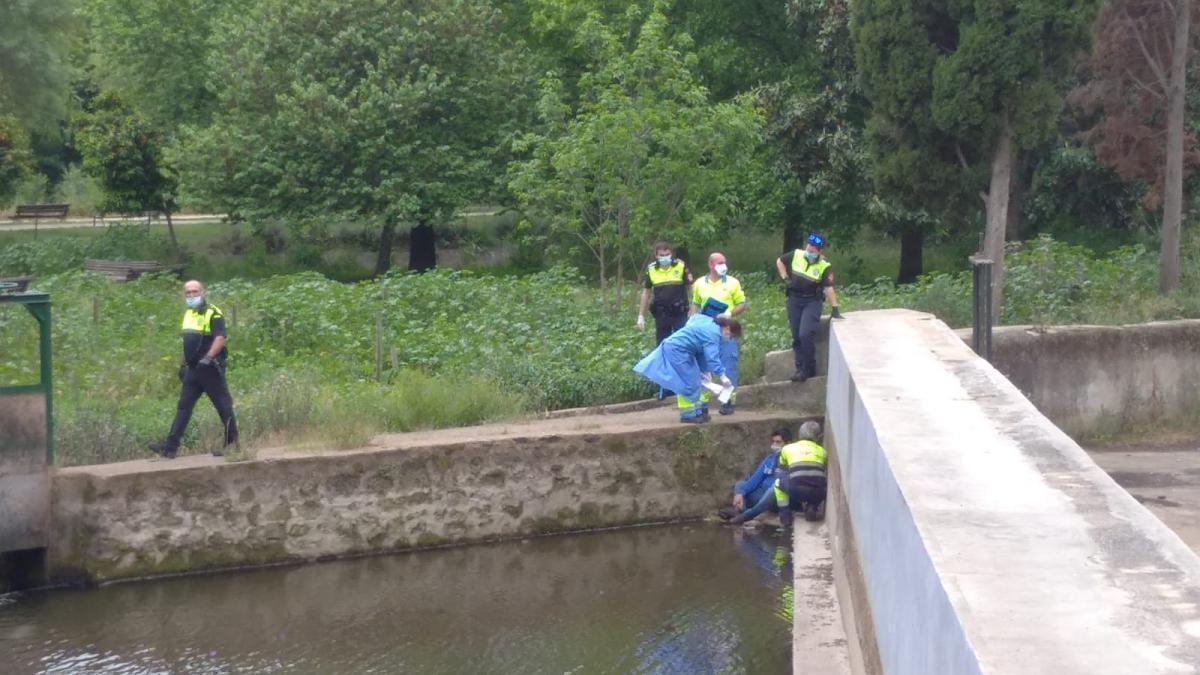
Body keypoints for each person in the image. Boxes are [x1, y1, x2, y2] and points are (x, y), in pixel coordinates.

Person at [149, 280, 238, 459]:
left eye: (195, 292)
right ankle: (169, 448)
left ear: (203, 292)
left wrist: (208, 358)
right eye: (188, 293)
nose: (191, 295)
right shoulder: (188, 314)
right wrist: (184, 364)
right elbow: (188, 342)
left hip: (210, 368)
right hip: (193, 370)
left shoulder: (213, 313)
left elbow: (220, 338)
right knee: (183, 407)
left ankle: (233, 445)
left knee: (223, 406)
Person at [633, 314, 742, 423]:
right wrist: (722, 376)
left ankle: (698, 411)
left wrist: (704, 371)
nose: (729, 339)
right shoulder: (713, 334)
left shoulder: (708, 322)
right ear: (727, 328)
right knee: (690, 382)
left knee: (698, 380)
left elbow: (701, 351)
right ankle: (688, 415)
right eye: (730, 336)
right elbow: (712, 358)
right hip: (678, 351)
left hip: (680, 349)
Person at [777, 233, 842, 382]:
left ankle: (809, 368)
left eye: (814, 250)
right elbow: (780, 261)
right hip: (794, 300)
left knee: (805, 334)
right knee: (796, 336)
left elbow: (829, 287)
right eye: (809, 247)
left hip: (812, 302)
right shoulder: (797, 254)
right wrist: (785, 278)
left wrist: (835, 308)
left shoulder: (824, 265)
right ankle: (799, 369)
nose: (810, 250)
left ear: (820, 251)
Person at [690, 252, 747, 415]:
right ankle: (703, 403)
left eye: (725, 262)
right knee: (703, 366)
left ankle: (728, 400)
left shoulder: (733, 283)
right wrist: (692, 321)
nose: (724, 265)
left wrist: (729, 314)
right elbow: (695, 304)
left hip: (726, 329)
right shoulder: (700, 283)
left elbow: (742, 304)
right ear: (710, 264)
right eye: (720, 262)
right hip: (705, 330)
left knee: (728, 363)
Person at [720, 428, 791, 524]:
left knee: (774, 490)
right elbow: (755, 479)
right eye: (773, 442)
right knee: (740, 485)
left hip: (777, 497)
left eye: (778, 442)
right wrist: (740, 493)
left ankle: (746, 515)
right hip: (761, 494)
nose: (774, 445)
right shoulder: (770, 458)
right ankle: (740, 511)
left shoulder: (791, 460)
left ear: (787, 444)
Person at [774, 421, 828, 530]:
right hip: (818, 493)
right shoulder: (823, 452)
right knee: (818, 481)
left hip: (796, 491)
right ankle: (813, 505)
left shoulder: (787, 449)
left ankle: (784, 517)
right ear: (818, 437)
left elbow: (782, 469)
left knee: (778, 481)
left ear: (800, 434)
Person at [637, 240, 693, 344]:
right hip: (661, 314)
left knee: (683, 343)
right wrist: (641, 315)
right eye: (661, 255)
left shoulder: (680, 266)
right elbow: (646, 293)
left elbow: (691, 288)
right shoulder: (651, 269)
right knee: (662, 345)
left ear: (671, 254)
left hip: (679, 313)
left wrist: (694, 308)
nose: (665, 257)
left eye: (667, 254)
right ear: (656, 256)